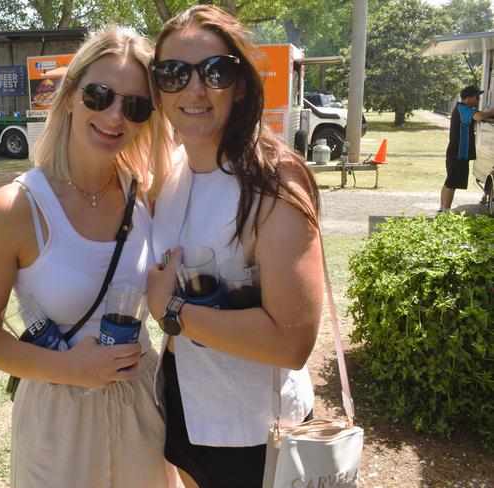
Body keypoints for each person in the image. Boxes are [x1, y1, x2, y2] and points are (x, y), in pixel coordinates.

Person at [0, 27, 175, 487]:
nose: (115, 116)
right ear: (71, 94)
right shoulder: (15, 208)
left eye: (134, 106)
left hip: (141, 407)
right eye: (100, 95)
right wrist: (69, 368)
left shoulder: (149, 197)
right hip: (58, 414)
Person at [146, 6, 323, 488]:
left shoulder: (272, 183)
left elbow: (292, 342)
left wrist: (172, 311)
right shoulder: (172, 173)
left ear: (240, 84)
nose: (195, 89)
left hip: (256, 431)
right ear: (157, 87)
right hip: (183, 409)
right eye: (174, 73)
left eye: (216, 71)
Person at [440, 85, 494, 212]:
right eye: (477, 97)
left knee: (450, 181)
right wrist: (491, 112)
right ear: (468, 98)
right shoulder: (463, 108)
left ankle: (442, 209)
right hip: (458, 153)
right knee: (451, 183)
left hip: (456, 152)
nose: (479, 100)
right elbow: (479, 116)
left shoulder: (463, 108)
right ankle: (445, 212)